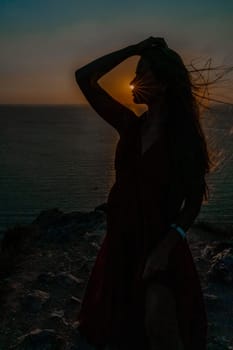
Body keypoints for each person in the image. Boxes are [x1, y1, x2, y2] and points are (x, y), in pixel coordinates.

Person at [74, 37, 210, 350]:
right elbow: (84, 77)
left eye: (143, 73)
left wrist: (166, 246)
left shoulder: (183, 140)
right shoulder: (129, 125)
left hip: (157, 242)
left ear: (164, 84)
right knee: (123, 332)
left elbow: (192, 203)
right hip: (121, 241)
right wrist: (133, 49)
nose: (134, 81)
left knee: (159, 322)